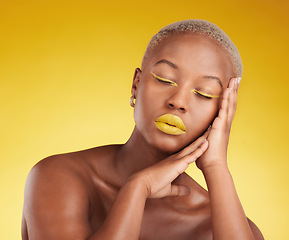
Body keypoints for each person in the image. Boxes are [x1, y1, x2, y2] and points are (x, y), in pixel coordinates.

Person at [22, 19, 264, 240]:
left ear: (222, 112)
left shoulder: (224, 226)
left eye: (204, 93)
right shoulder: (58, 177)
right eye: (165, 79)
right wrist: (137, 188)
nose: (178, 101)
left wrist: (216, 167)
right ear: (136, 84)